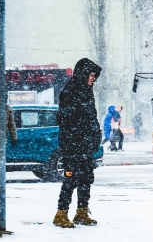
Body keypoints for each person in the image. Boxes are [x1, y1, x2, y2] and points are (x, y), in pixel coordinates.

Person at [53, 58, 102, 229]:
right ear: (83, 74)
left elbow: (91, 118)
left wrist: (95, 136)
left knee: (86, 178)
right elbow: (63, 118)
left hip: (85, 145)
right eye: (91, 75)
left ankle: (82, 211)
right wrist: (78, 114)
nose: (93, 79)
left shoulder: (87, 92)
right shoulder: (70, 91)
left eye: (95, 76)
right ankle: (61, 213)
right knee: (71, 178)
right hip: (73, 145)